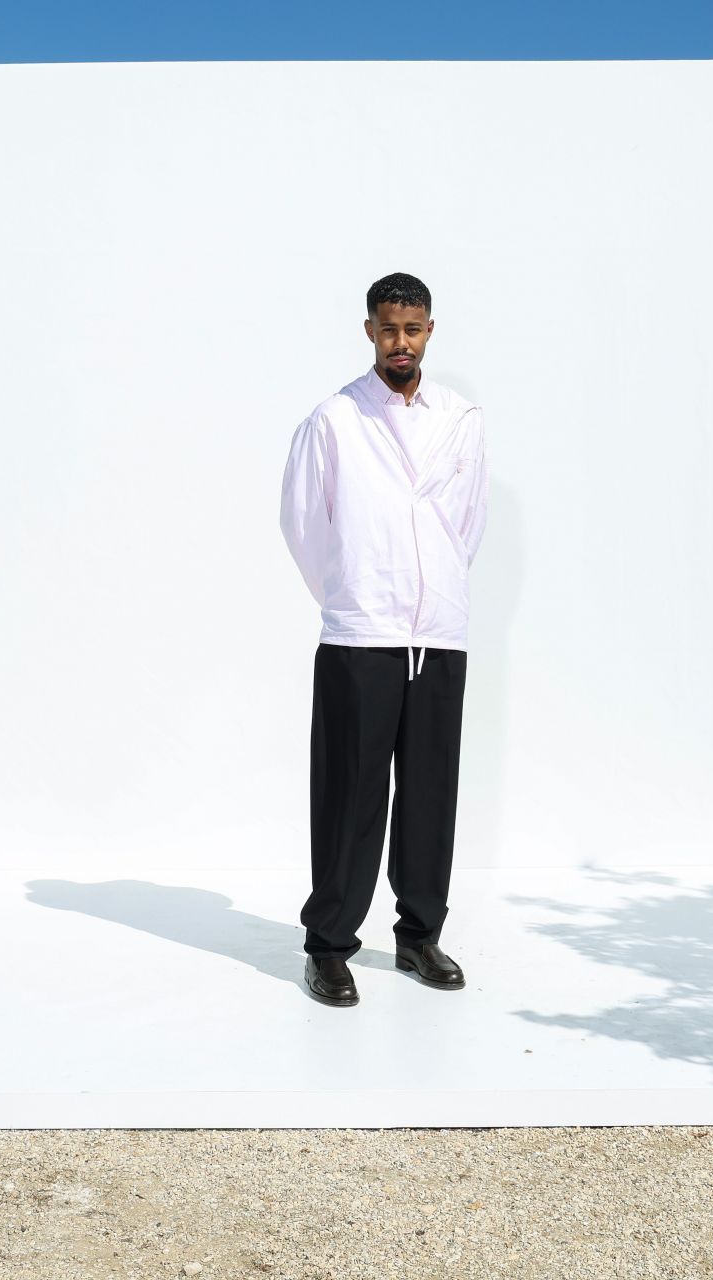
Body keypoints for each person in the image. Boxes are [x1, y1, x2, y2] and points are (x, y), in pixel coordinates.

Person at [278, 272, 490, 1008]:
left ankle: (419, 936)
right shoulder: (334, 421)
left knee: (431, 794)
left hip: (438, 635)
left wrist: (433, 592)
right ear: (369, 329)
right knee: (350, 796)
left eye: (416, 329)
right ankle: (330, 945)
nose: (402, 342)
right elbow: (305, 526)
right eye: (389, 328)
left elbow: (466, 523)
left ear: (431, 329)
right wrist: (354, 595)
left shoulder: (461, 418)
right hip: (360, 635)